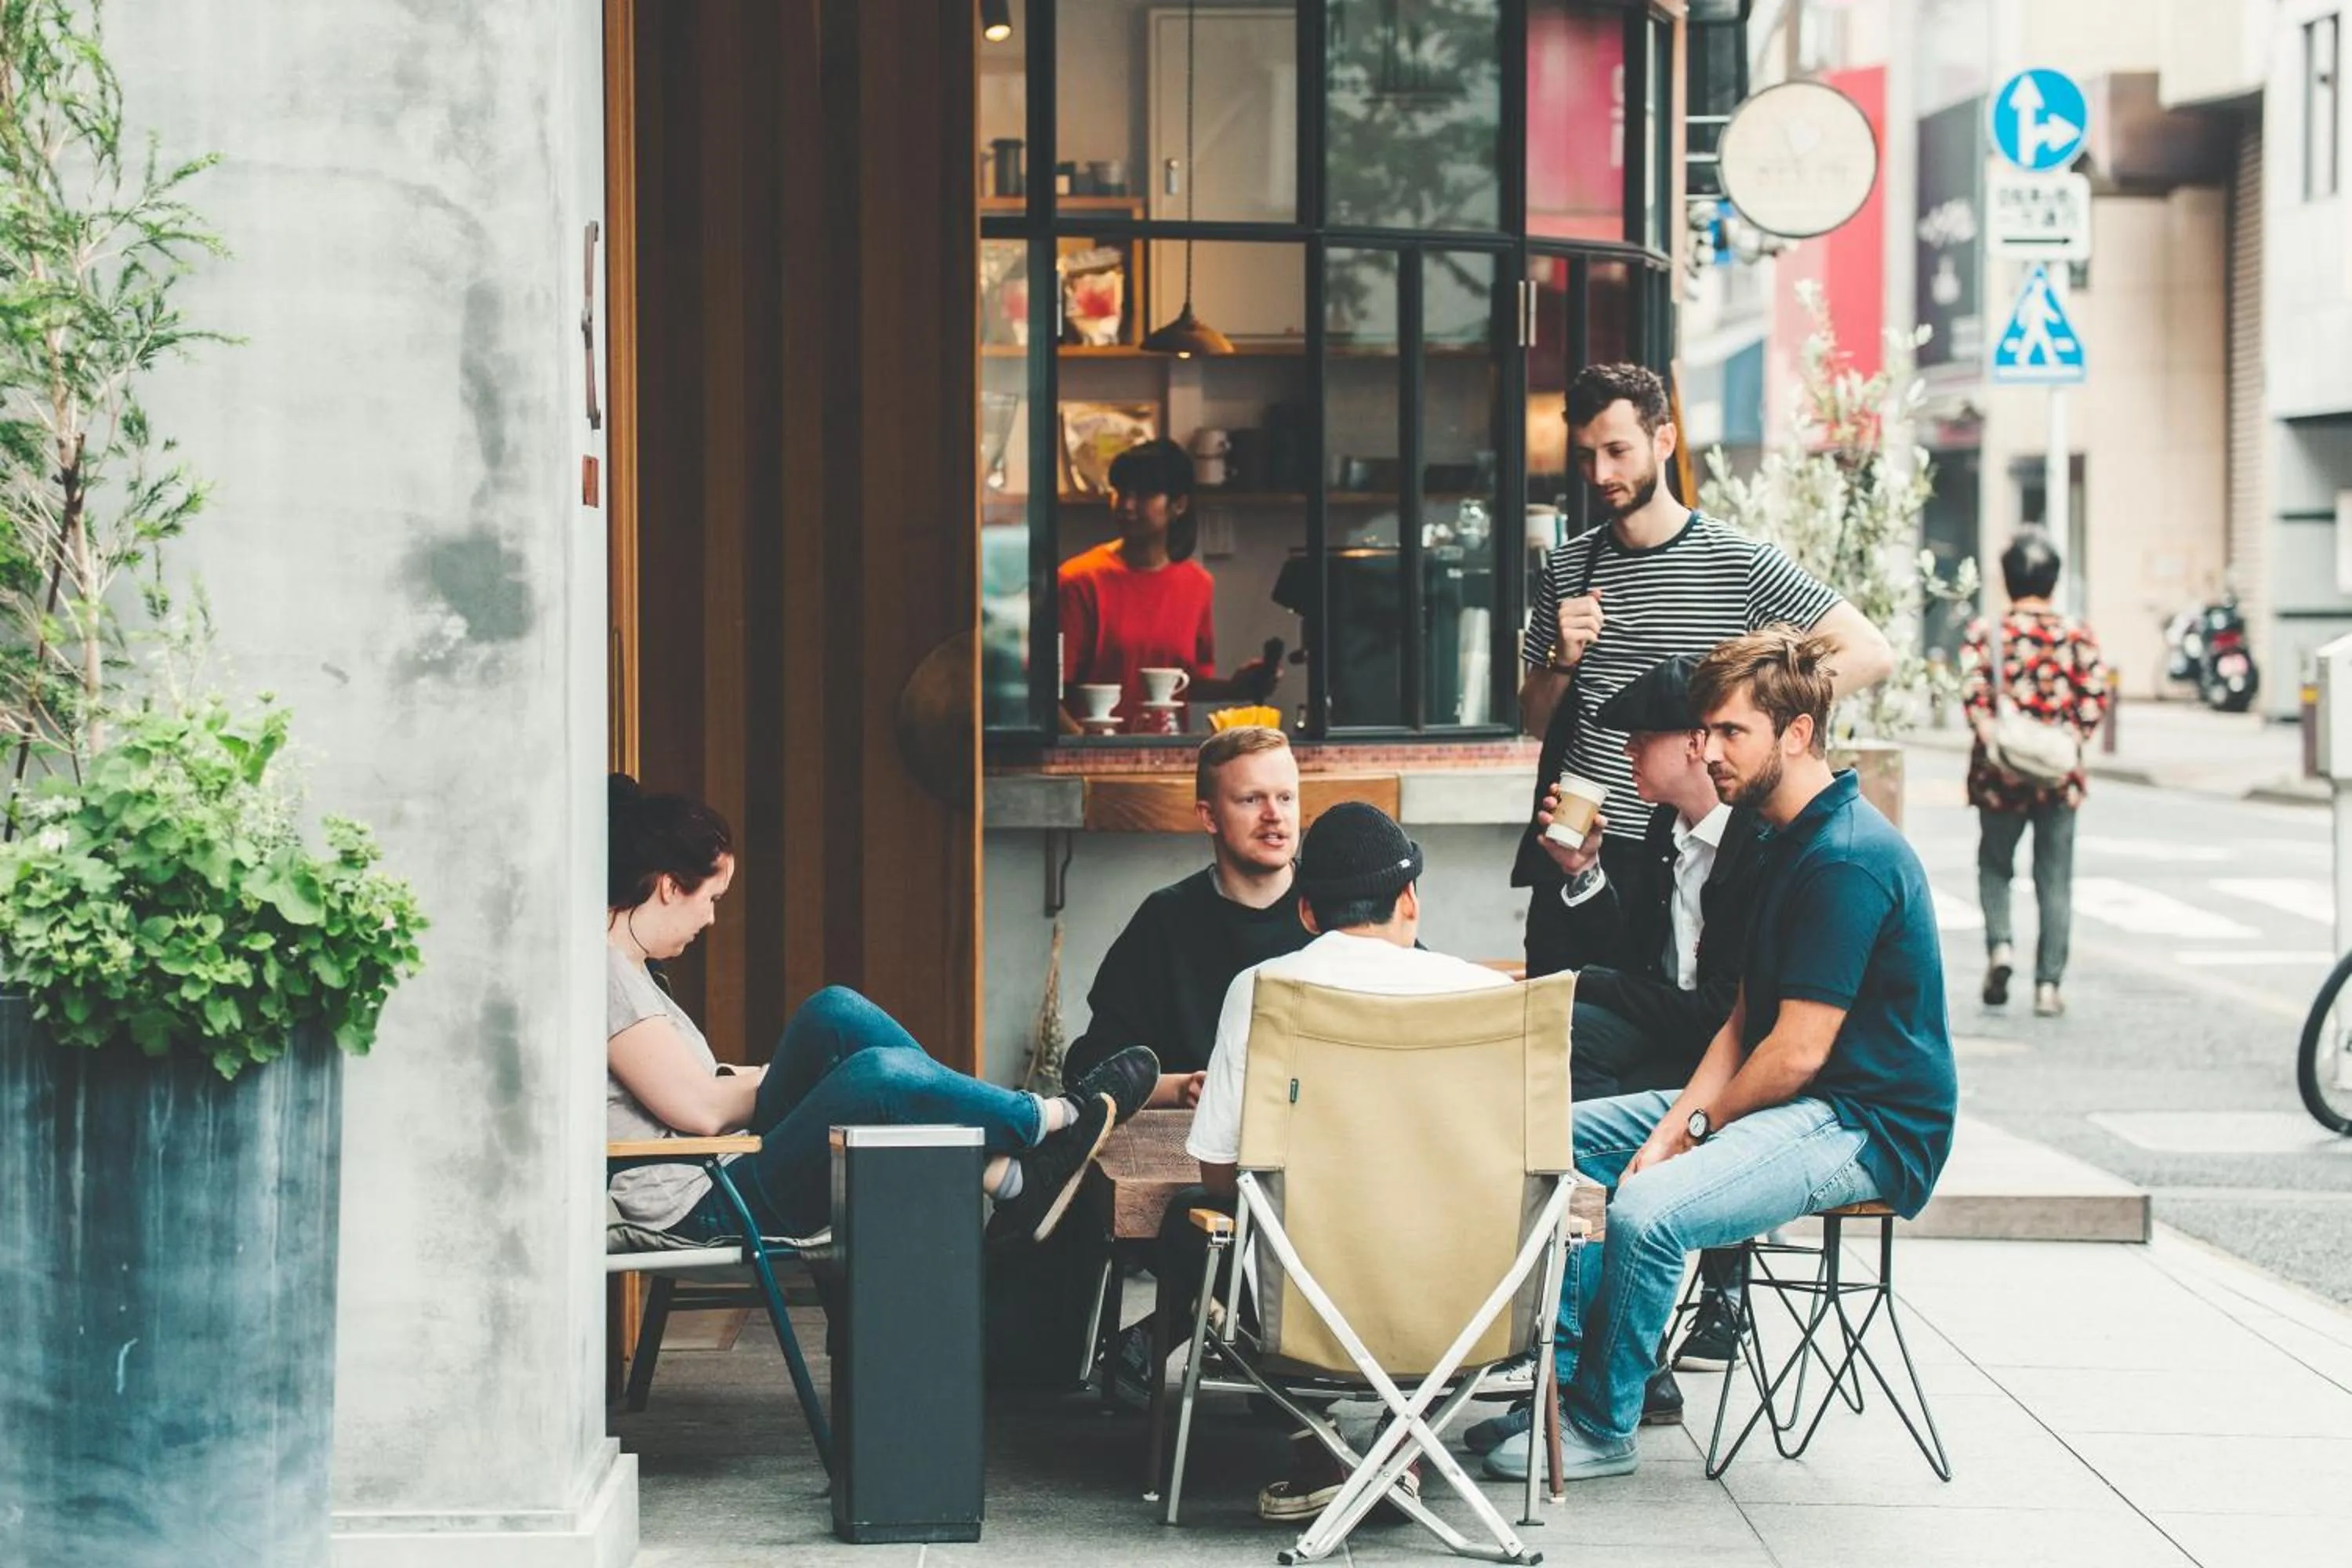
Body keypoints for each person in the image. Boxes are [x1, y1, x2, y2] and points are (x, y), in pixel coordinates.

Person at [1483, 628, 1956, 1485]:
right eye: (1701, 731)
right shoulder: (1780, 836)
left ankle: (1602, 1419)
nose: (1706, 750)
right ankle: (1559, 1372)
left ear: (1797, 734)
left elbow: (1800, 1050)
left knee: (1650, 1208)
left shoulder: (1846, 855)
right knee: (1546, 1134)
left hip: (1866, 1119)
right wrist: (1669, 1126)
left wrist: (1692, 1130)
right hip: (1796, 1094)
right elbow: (1740, 1019)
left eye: (1729, 731)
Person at [604, 774, 1160, 1248]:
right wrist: (825, 1082)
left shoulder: (630, 974)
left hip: (726, 1172)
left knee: (835, 1011)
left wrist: (805, 1078)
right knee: (877, 1076)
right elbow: (701, 1110)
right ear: (672, 887)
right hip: (705, 1206)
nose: (712, 921)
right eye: (712, 900)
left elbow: (700, 1093)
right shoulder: (604, 974)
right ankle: (1052, 1121)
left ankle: (1011, 1173)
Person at [1183, 801, 1516, 1519]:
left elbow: (1219, 1170)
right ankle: (1408, 1440)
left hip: (1304, 1311)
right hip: (1475, 1306)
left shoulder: (1262, 990)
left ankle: (1316, 1442)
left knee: (1195, 1224)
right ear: (1409, 900)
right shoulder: (1490, 998)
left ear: (1306, 912)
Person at [1515, 363, 1894, 978]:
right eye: (1586, 456)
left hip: (1684, 848)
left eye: (1618, 451)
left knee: (1652, 1026)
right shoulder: (1569, 567)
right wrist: (1562, 661)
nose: (1601, 474)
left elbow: (1868, 651)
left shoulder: (1738, 561)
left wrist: (1755, 718)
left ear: (1663, 441)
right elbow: (1535, 721)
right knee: (1550, 1025)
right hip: (1576, 839)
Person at [1530, 652, 1774, 1425]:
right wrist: (1585, 869)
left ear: (1693, 743)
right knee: (1564, 1047)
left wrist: (1591, 984)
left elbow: (1717, 1011)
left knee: (1580, 1057)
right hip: (1670, 1043)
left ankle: (1600, 1346)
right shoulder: (1664, 835)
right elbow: (1632, 958)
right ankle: (1601, 1339)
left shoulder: (1755, 845)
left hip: (1732, 1066)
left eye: (1641, 740)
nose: (1626, 754)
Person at [1059, 726, 1312, 1113]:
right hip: (1192, 1153)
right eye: (1251, 799)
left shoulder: (1340, 908)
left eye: (1285, 797)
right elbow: (1088, 1070)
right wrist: (1180, 1089)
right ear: (1208, 816)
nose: (1274, 815)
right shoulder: (1165, 921)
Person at [1960, 530, 2111, 1018]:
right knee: (2055, 880)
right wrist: (2065, 744)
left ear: (2007, 579)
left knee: (1995, 867)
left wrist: (1999, 741)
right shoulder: (2077, 632)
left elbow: (1972, 695)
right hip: (2058, 778)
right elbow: (2094, 699)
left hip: (2000, 776)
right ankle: (2048, 986)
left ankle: (2001, 948)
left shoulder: (1989, 633)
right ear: (2053, 580)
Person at [1058, 437, 1277, 729]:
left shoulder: (1197, 584)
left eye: (1143, 495)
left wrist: (1236, 688)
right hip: (1094, 757)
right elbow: (1049, 694)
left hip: (1164, 754)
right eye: (1120, 491)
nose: (1126, 505)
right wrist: (1084, 748)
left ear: (1179, 505)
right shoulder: (1080, 580)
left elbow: (1182, 685)